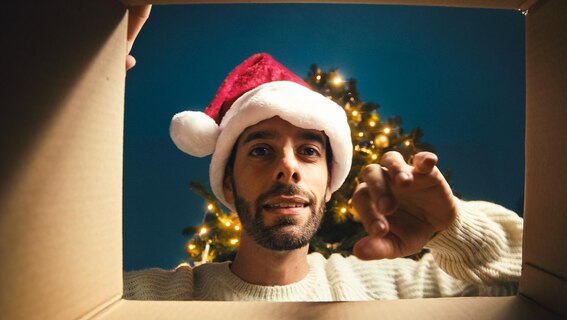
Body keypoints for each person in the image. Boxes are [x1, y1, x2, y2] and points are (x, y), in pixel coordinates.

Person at [123, 53, 523, 301]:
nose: (289, 167)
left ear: (329, 185)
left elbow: (549, 277)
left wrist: (450, 228)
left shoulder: (387, 287)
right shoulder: (161, 297)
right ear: (227, 185)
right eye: (261, 150)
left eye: (309, 151)